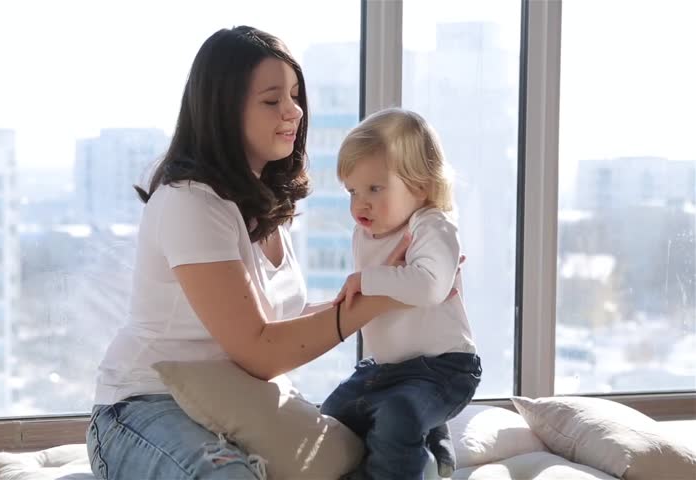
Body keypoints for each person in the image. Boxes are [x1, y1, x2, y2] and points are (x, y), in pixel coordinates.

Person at [85, 26, 413, 480]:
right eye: (271, 99)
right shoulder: (190, 202)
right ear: (223, 109)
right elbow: (258, 350)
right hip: (145, 406)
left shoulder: (264, 204)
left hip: (236, 401)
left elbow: (280, 327)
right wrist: (377, 299)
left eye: (295, 95)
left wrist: (392, 284)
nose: (293, 110)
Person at [320, 108, 483, 480]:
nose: (360, 204)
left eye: (375, 189)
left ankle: (419, 447)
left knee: (398, 414)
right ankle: (430, 437)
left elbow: (429, 286)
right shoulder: (365, 234)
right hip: (387, 369)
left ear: (421, 185)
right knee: (333, 416)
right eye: (352, 191)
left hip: (443, 366)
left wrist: (369, 279)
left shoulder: (432, 225)